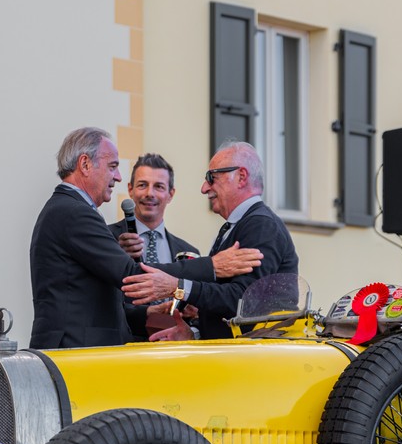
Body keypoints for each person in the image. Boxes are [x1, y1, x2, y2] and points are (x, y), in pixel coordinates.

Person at [29, 127, 262, 350]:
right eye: (112, 167)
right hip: (74, 352)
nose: (117, 177)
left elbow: (94, 297)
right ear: (85, 164)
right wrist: (213, 266)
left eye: (159, 186)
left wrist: (147, 314)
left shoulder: (69, 209)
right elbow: (132, 276)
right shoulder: (74, 212)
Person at [123, 141, 299, 341]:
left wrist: (179, 287)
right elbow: (230, 307)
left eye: (211, 177)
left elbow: (243, 300)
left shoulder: (260, 224)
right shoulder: (241, 224)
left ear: (241, 177)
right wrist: (194, 333)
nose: (204, 188)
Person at [109, 153, 199, 339]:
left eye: (159, 186)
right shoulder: (107, 239)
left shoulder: (190, 252)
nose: (150, 193)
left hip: (172, 353)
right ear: (130, 189)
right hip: (120, 349)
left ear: (170, 194)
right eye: (143, 185)